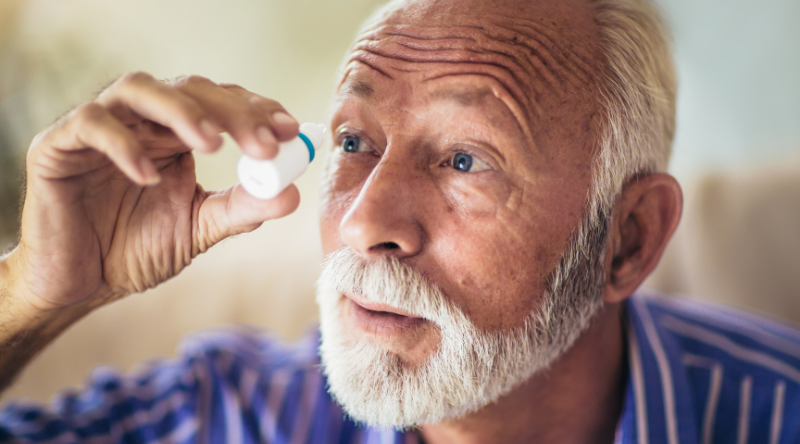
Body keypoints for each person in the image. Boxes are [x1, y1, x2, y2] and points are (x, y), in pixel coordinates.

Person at [0, 0, 798, 442]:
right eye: (354, 141)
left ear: (627, 240)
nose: (364, 223)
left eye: (463, 160)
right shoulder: (231, 416)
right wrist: (36, 290)